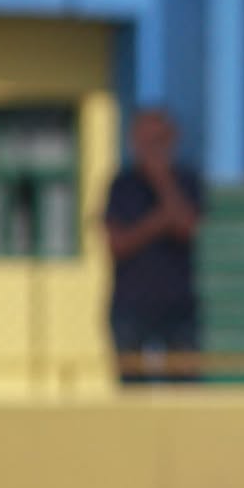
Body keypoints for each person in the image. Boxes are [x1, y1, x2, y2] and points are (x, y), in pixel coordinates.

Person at [103, 107, 203, 382]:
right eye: (146, 141)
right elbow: (116, 244)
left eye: (158, 140)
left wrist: (162, 182)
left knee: (186, 386)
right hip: (131, 304)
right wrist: (160, 221)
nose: (152, 149)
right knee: (132, 387)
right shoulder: (122, 185)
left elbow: (187, 227)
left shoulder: (186, 181)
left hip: (178, 304)